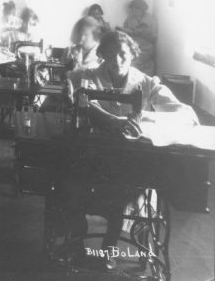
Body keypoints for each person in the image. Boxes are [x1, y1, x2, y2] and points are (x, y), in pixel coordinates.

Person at [58, 31, 198, 269]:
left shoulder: (146, 83)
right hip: (91, 156)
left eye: (122, 54)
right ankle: (77, 245)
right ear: (102, 55)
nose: (117, 60)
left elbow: (186, 114)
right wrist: (69, 91)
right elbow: (74, 92)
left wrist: (148, 119)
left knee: (124, 196)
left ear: (133, 54)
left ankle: (109, 248)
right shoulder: (86, 76)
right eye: (110, 55)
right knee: (70, 188)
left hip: (131, 160)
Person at [121, 0, 157, 75]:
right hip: (132, 47)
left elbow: (153, 38)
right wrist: (127, 33)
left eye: (136, 10)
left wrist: (142, 34)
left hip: (146, 48)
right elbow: (125, 37)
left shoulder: (151, 19)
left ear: (142, 10)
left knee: (134, 64)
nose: (133, 12)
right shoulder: (129, 19)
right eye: (132, 10)